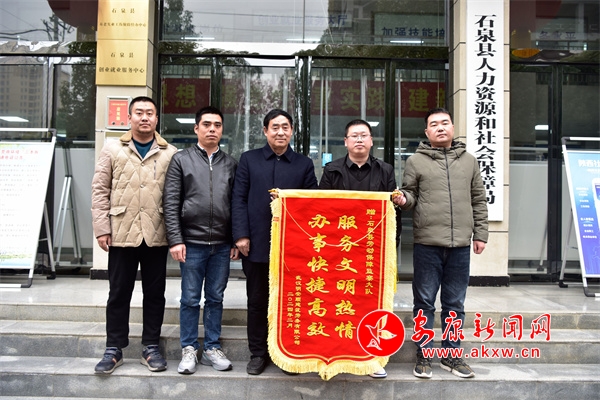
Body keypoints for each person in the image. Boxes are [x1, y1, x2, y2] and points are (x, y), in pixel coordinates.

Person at [396, 107, 488, 379]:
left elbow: (478, 199)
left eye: (444, 123)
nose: (440, 127)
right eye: (434, 124)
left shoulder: (469, 161)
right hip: (427, 244)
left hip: (460, 245)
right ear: (426, 132)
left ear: (452, 127)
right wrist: (403, 199)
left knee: (455, 303)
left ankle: (451, 355)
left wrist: (480, 234)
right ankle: (424, 354)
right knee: (424, 302)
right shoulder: (416, 161)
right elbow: (410, 195)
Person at [91, 96, 177, 374]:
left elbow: (176, 195)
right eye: (139, 112)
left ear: (156, 119)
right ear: (129, 118)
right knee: (118, 292)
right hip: (121, 232)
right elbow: (100, 190)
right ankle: (114, 348)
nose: (144, 117)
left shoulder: (169, 152)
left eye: (150, 113)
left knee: (155, 294)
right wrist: (102, 228)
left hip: (156, 231)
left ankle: (151, 347)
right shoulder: (112, 149)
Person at [232, 109, 318, 375]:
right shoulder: (249, 160)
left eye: (285, 127)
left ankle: (287, 353)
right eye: (275, 127)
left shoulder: (303, 164)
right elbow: (238, 199)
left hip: (293, 247)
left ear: (292, 131)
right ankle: (258, 353)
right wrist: (241, 235)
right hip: (256, 243)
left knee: (290, 301)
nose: (280, 132)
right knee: (257, 301)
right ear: (265, 131)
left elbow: (312, 203)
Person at [319, 118, 404, 379]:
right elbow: (320, 207)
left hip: (371, 251)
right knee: (337, 303)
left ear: (371, 141)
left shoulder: (385, 170)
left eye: (363, 135)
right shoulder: (332, 170)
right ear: (345, 142)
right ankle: (335, 353)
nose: (359, 139)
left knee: (369, 303)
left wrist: (391, 244)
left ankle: (371, 357)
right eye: (354, 135)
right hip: (339, 251)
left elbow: (392, 211)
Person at [163, 106, 239, 374]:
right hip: (191, 242)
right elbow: (171, 202)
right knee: (190, 298)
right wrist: (175, 239)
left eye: (217, 125)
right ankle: (188, 348)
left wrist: (235, 240)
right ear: (196, 128)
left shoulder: (230, 163)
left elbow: (236, 205)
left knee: (216, 297)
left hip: (221, 244)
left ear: (222, 130)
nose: (212, 129)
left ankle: (212, 348)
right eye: (206, 124)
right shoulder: (181, 160)